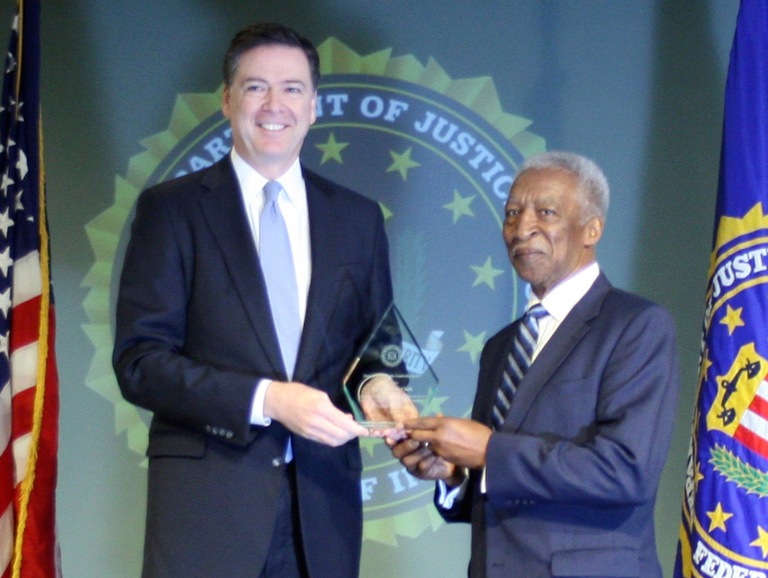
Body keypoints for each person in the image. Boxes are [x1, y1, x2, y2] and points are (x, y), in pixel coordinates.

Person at [113, 23, 411, 578]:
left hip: (321, 515)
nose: (275, 104)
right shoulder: (171, 211)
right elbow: (140, 364)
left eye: (293, 89)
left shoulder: (357, 217)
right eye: (255, 87)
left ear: (315, 106)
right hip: (208, 516)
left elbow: (378, 349)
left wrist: (384, 389)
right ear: (227, 101)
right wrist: (268, 399)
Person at [392, 151, 680, 578]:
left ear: (592, 229)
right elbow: (503, 492)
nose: (522, 228)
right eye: (512, 213)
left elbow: (625, 471)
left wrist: (489, 451)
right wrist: (452, 475)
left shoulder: (636, 325)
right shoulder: (500, 348)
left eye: (545, 212)